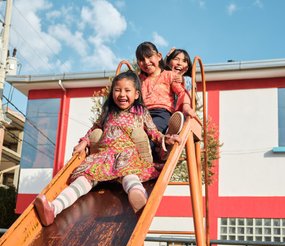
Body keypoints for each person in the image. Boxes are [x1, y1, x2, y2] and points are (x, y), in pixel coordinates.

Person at [34, 70, 181, 226]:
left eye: (127, 90)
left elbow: (153, 132)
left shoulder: (140, 112)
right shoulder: (108, 112)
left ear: (137, 94)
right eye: (117, 90)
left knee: (129, 176)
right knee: (83, 179)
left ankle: (138, 195)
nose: (122, 94)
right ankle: (53, 208)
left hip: (126, 154)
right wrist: (84, 142)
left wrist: (166, 139)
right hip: (104, 156)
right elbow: (94, 128)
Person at [135, 42, 196, 161]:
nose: (146, 62)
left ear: (159, 56)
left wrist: (187, 107)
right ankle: (161, 149)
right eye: (142, 59)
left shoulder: (170, 75)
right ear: (138, 63)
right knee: (135, 133)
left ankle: (157, 152)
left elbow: (183, 92)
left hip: (161, 112)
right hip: (142, 115)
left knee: (151, 132)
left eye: (149, 57)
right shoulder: (139, 80)